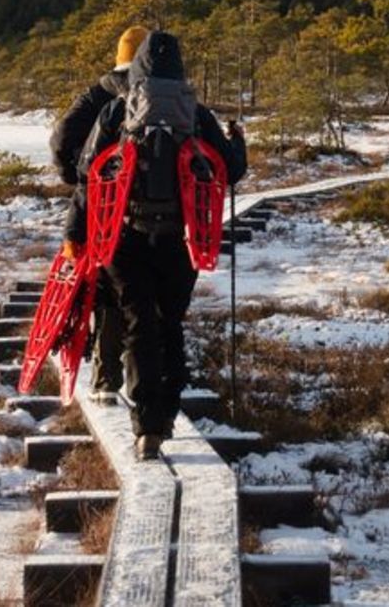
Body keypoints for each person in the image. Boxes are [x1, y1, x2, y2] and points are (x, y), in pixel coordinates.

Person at [65, 31, 246, 460]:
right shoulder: (196, 113)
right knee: (170, 323)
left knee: (137, 325)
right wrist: (236, 139)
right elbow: (232, 171)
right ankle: (166, 413)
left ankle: (146, 425)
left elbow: (87, 174)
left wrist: (76, 232)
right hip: (181, 240)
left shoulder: (115, 110)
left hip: (125, 238)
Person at [49, 26, 149, 401]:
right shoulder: (162, 97)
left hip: (99, 204)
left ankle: (106, 375)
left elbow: (61, 139)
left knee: (106, 285)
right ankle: (138, 375)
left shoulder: (98, 94)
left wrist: (79, 177)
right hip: (149, 208)